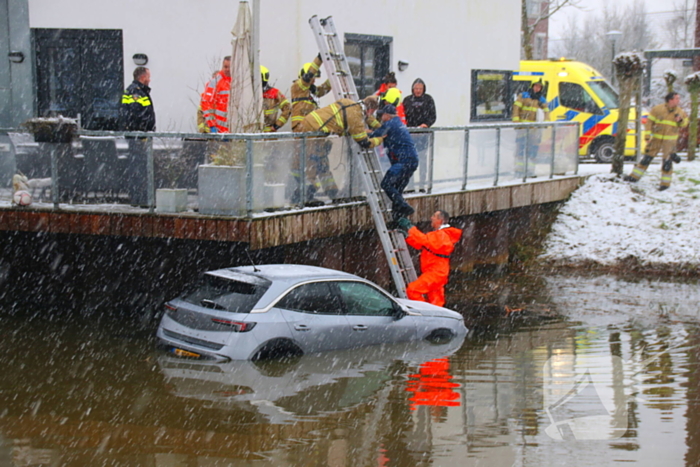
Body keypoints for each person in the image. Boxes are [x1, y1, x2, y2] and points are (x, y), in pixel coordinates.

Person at [295, 96, 383, 204]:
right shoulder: (355, 116)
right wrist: (380, 139)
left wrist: (380, 127)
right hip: (312, 132)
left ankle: (332, 192)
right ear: (370, 109)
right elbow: (364, 142)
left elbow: (365, 117)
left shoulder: (350, 104)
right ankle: (305, 196)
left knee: (322, 163)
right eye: (372, 112)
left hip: (313, 128)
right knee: (313, 163)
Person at [624, 92, 688, 191]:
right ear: (670, 100)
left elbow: (684, 124)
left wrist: (680, 120)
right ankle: (634, 177)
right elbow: (649, 123)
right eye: (676, 98)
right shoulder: (658, 109)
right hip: (656, 139)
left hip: (670, 141)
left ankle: (665, 184)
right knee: (647, 158)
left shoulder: (680, 112)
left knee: (667, 162)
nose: (678, 101)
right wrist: (648, 135)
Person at [398, 210, 462, 307]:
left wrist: (410, 228)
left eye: (434, 216)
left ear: (440, 220)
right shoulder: (442, 235)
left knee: (412, 290)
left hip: (435, 273)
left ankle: (425, 313)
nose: (431, 218)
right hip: (437, 273)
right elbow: (422, 245)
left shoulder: (442, 235)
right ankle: (436, 317)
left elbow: (423, 240)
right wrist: (408, 236)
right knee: (436, 303)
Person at [369, 104, 418, 220]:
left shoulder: (390, 124)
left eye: (382, 115)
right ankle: (398, 219)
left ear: (387, 115)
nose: (381, 117)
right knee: (397, 189)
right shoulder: (398, 123)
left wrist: (361, 132)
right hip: (412, 161)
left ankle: (405, 208)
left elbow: (374, 135)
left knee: (386, 184)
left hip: (402, 161)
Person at [119, 66, 155, 206]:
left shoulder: (135, 91)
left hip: (138, 136)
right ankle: (140, 198)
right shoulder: (136, 92)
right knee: (139, 168)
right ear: (142, 77)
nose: (149, 79)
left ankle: (139, 198)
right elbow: (136, 114)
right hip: (138, 137)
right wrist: (143, 130)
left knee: (138, 167)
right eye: (148, 76)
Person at [403, 78, 436, 190]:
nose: (418, 91)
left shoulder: (428, 100)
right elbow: (403, 116)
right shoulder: (407, 100)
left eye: (420, 88)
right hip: (410, 136)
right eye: (416, 88)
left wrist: (426, 124)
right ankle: (410, 185)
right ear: (412, 89)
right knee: (410, 161)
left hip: (423, 136)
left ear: (423, 89)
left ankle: (422, 185)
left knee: (422, 161)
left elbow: (433, 116)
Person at [512, 80, 548, 178]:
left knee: (532, 150)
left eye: (539, 87)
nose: (537, 88)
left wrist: (545, 123)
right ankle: (519, 170)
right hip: (522, 128)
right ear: (532, 86)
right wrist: (516, 122)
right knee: (520, 148)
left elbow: (546, 112)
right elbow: (516, 109)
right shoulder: (523, 96)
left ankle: (530, 171)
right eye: (536, 86)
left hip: (534, 130)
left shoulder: (541, 100)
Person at [290, 54, 331, 131]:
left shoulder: (310, 90)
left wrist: (332, 79)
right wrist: (319, 59)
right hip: (301, 126)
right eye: (313, 78)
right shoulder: (297, 86)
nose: (314, 81)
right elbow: (308, 76)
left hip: (311, 125)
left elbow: (323, 90)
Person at [201, 56, 232, 133]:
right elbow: (207, 104)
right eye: (225, 67)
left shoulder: (238, 81)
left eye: (230, 67)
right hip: (220, 130)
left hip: (234, 129)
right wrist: (212, 125)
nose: (227, 69)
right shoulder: (215, 82)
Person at [261, 65, 291, 133]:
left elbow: (288, 108)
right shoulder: (250, 93)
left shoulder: (274, 93)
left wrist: (277, 125)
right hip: (253, 133)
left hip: (269, 134)